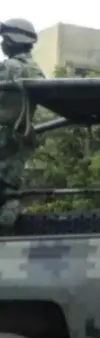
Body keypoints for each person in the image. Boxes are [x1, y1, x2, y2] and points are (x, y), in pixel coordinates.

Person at [0, 18, 45, 229]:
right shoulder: (34, 69)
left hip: (4, 136)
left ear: (10, 41)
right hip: (20, 138)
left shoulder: (9, 67)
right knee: (8, 185)